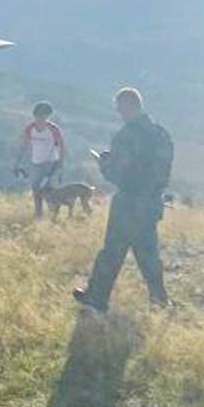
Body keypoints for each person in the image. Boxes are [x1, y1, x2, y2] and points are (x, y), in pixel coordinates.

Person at [73, 87, 173, 311]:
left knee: (112, 251)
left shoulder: (127, 135)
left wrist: (104, 162)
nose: (119, 113)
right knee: (148, 253)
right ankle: (159, 300)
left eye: (120, 109)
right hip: (151, 202)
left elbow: (117, 173)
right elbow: (163, 172)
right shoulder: (161, 134)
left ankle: (97, 298)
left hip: (129, 202)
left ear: (128, 106)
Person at [14, 101, 66, 218]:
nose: (41, 118)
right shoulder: (30, 129)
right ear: (35, 115)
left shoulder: (53, 129)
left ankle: (53, 215)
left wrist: (60, 163)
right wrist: (17, 163)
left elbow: (62, 146)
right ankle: (39, 216)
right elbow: (23, 146)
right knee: (36, 191)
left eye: (44, 116)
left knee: (48, 191)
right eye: (39, 115)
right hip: (36, 163)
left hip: (51, 164)